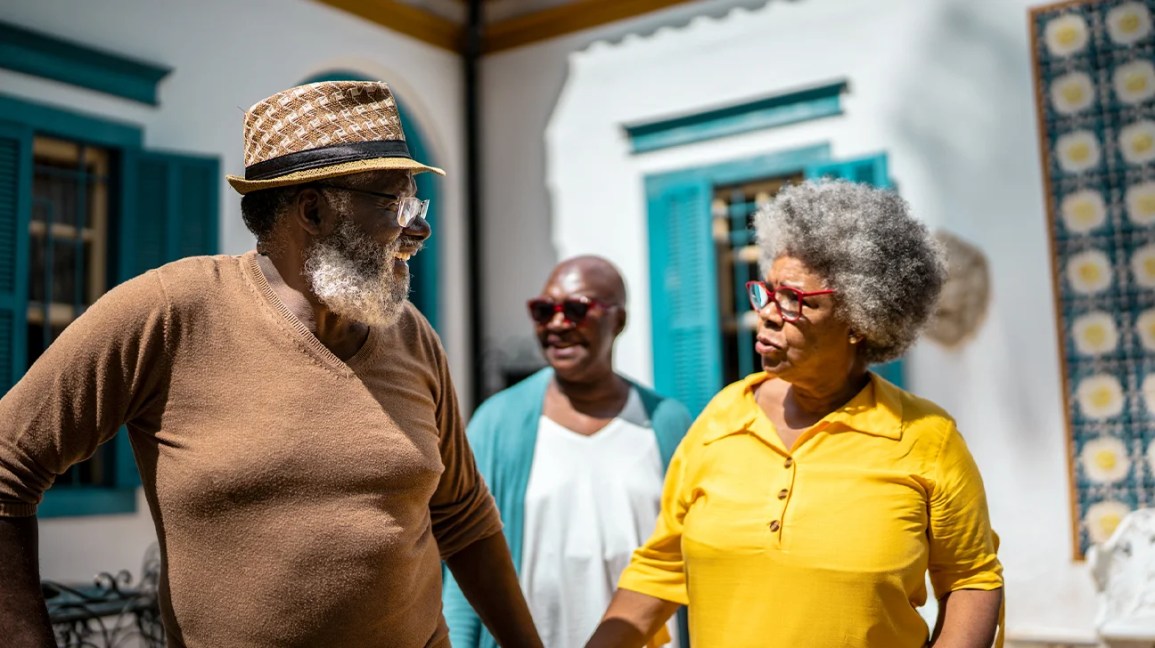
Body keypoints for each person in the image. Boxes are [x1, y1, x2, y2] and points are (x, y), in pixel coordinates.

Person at [0, 81, 542, 648]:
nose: (419, 229)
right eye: (396, 204)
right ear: (312, 209)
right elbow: (9, 465)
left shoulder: (412, 335)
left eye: (418, 205)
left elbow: (462, 516)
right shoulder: (170, 311)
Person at [587, 179, 1004, 648]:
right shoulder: (720, 419)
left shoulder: (925, 438)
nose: (765, 313)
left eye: (793, 300)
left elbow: (971, 578)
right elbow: (661, 566)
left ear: (860, 321)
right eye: (766, 292)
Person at [443, 256, 693, 648]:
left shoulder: (668, 423)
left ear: (619, 321)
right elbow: (465, 558)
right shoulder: (497, 423)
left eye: (576, 309)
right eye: (544, 310)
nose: (557, 323)